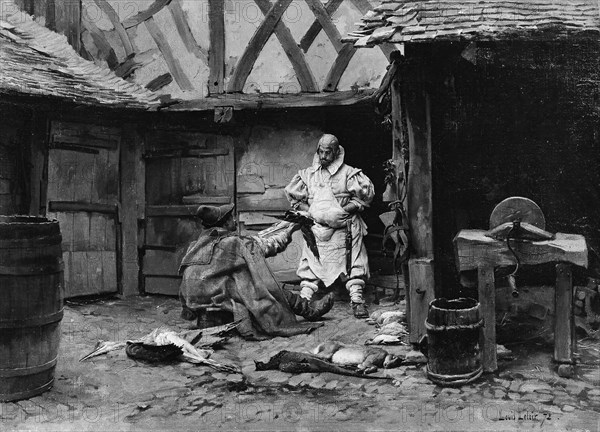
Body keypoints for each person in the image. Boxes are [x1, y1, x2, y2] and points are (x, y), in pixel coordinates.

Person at [178, 203, 334, 340]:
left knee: (248, 280)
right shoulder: (234, 243)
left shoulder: (195, 245)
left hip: (194, 301)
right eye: (231, 218)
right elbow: (269, 245)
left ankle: (306, 307)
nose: (234, 221)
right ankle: (309, 310)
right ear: (224, 223)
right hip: (217, 296)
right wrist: (291, 228)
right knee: (265, 285)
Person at [284, 134, 375, 318]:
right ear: (318, 151)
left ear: (336, 152)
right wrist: (313, 213)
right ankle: (304, 300)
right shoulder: (307, 175)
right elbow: (295, 200)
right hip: (317, 229)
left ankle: (357, 300)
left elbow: (363, 198)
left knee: (354, 263)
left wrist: (341, 212)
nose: (324, 156)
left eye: (328, 152)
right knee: (311, 262)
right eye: (321, 152)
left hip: (344, 228)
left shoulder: (349, 173)